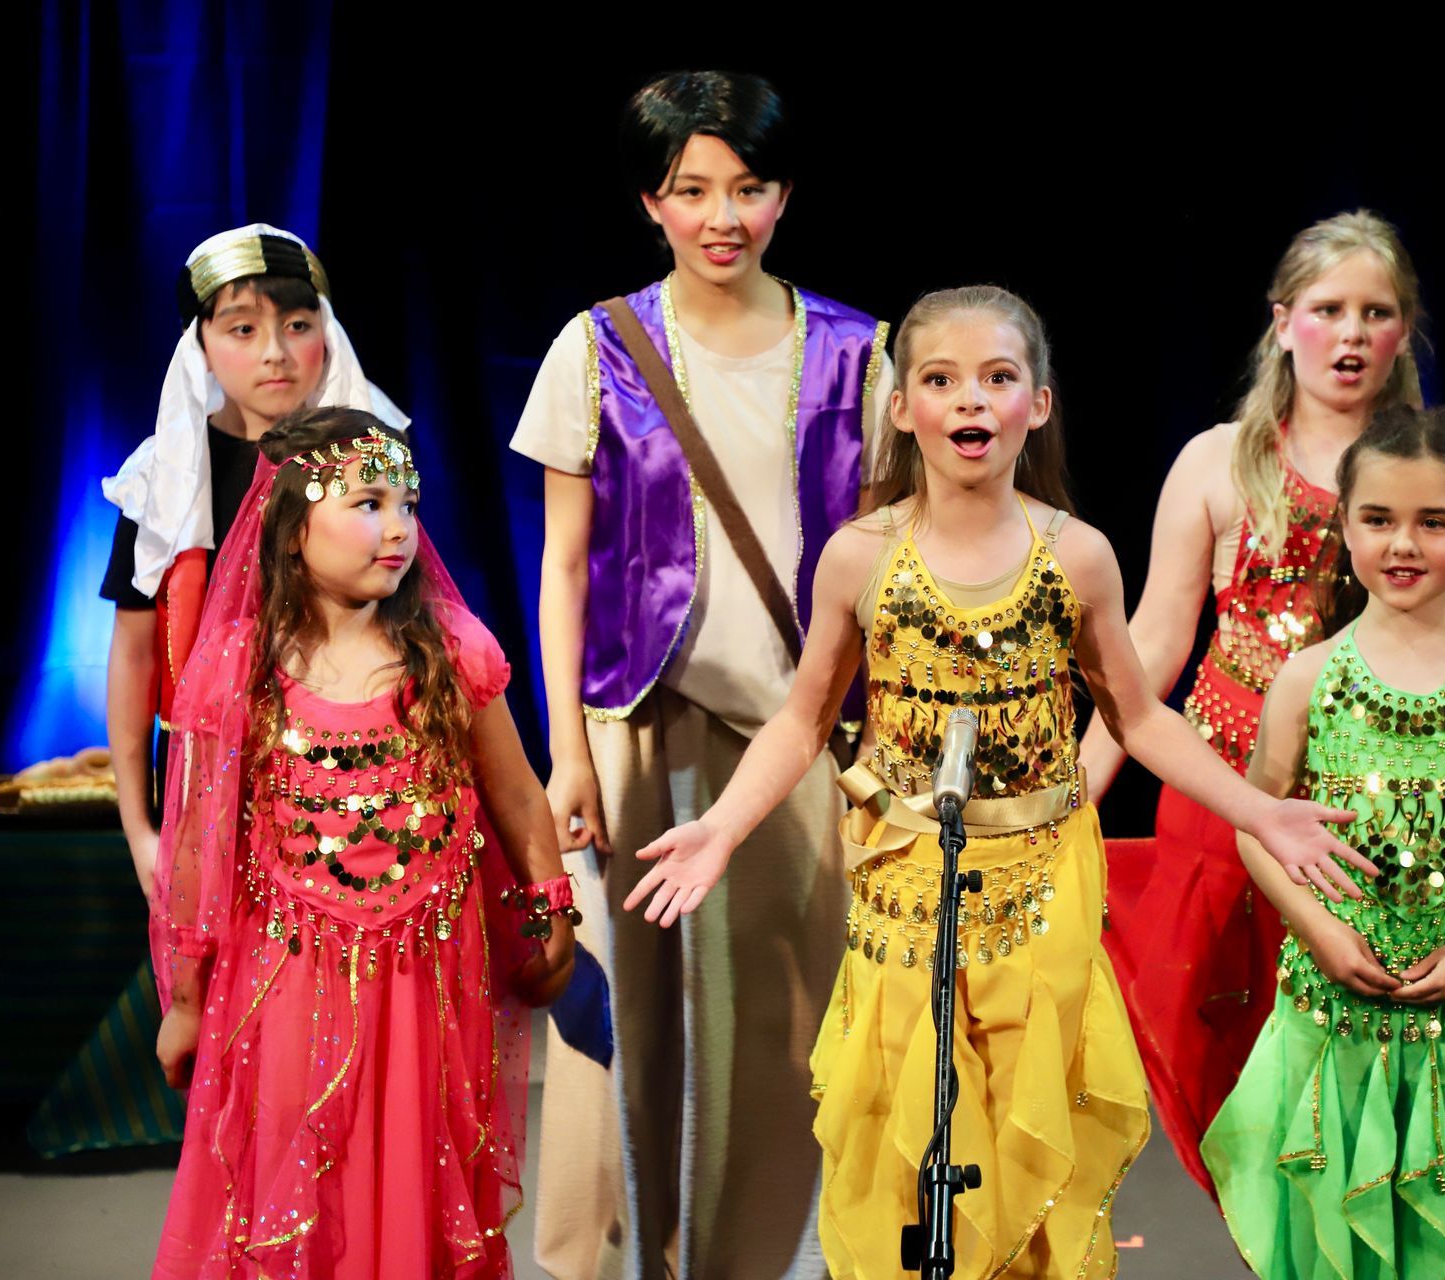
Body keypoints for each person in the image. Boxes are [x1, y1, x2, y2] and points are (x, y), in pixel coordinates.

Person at [625, 285, 1363, 1279]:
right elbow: (805, 719)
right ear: (902, 408)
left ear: (1038, 403)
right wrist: (720, 824)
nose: (970, 401)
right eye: (941, 379)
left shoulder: (1077, 557)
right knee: (911, 1129)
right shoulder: (859, 559)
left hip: (1040, 887)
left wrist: (1261, 810)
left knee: (1022, 1140)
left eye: (997, 377)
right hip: (904, 887)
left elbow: (1139, 715)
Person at [509, 70, 892, 1279]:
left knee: (785, 1023)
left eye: (748, 187)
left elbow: (888, 560)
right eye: (693, 191)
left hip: (802, 733)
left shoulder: (859, 351)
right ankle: (604, 1261)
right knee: (622, 1022)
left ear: (784, 194)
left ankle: (759, 1261)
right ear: (651, 200)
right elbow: (563, 564)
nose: (723, 215)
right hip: (637, 723)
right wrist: (565, 745)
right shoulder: (599, 346)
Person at [149, 407, 572, 1279]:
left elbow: (519, 797)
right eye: (369, 503)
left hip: (425, 984)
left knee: (416, 1167)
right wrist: (185, 1000)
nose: (397, 528)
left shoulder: (453, 653)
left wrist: (550, 902)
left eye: (408, 505)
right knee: (295, 1177)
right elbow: (196, 848)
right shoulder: (239, 665)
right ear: (295, 530)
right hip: (284, 979)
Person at [1079, 211, 1427, 1194]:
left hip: (1374, 811)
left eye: (1376, 313)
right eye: (1329, 310)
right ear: (1284, 323)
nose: (1351, 334)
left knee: (1351, 1083)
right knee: (1230, 1072)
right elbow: (1149, 646)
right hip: (1222, 802)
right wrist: (1068, 795)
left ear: (1404, 333)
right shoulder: (1218, 460)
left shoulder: (1428, 470)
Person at [1203, 405, 1445, 1278]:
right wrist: (1317, 930)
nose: (1404, 544)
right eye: (1379, 520)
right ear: (1344, 529)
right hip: (1332, 1010)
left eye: (1433, 522)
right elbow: (1257, 824)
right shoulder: (1308, 677)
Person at [101, 223, 405, 897]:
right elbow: (135, 653)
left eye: (297, 325)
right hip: (206, 779)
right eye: (242, 330)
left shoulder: (376, 463)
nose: (276, 354)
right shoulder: (163, 479)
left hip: (350, 770)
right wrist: (137, 827)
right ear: (201, 350)